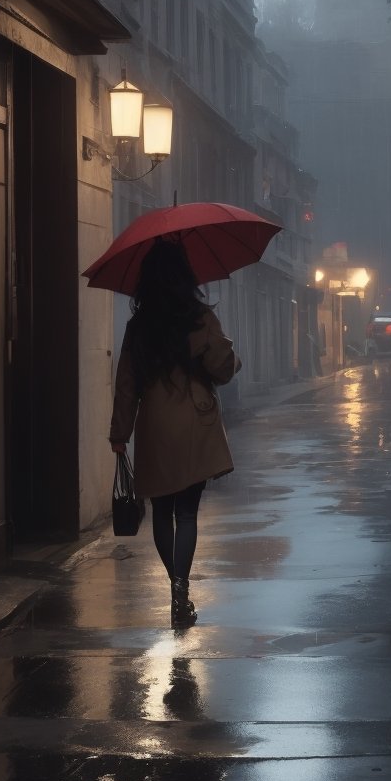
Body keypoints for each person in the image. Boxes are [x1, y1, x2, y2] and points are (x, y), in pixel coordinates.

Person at [109, 239, 240, 629]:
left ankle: (176, 587)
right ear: (186, 276)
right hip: (194, 425)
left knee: (163, 514)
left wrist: (120, 434)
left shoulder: (138, 327)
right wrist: (224, 351)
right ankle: (180, 594)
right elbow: (223, 369)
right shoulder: (198, 318)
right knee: (187, 512)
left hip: (154, 427)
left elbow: (126, 384)